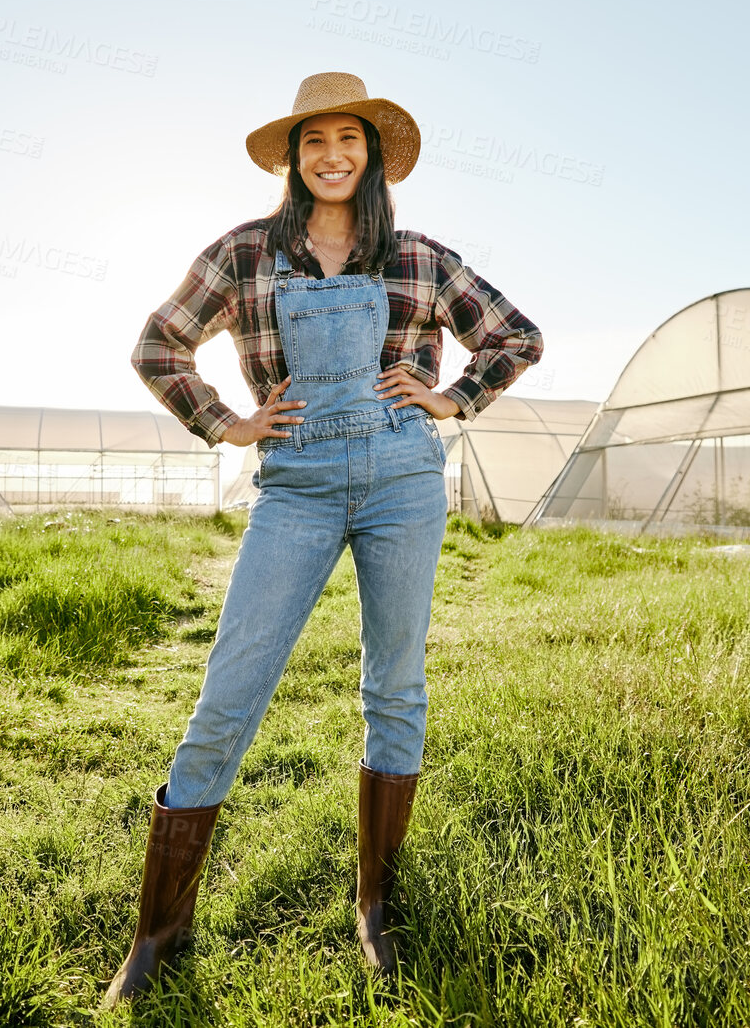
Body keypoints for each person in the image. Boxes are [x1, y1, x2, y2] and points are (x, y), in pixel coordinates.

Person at [106, 72, 543, 1005]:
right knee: (230, 689)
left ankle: (375, 909)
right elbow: (158, 345)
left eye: (350, 140)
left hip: (401, 482)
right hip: (295, 485)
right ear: (294, 158)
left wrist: (453, 397)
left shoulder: (420, 257)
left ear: (373, 156)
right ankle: (157, 932)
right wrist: (226, 422)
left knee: (395, 684)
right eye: (315, 142)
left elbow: (513, 336)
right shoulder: (243, 251)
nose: (333, 155)